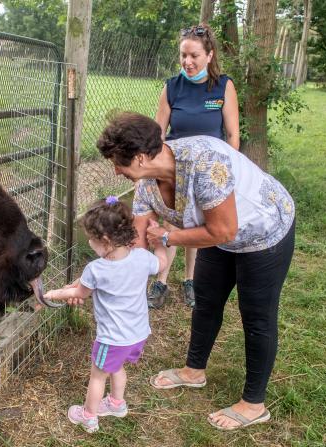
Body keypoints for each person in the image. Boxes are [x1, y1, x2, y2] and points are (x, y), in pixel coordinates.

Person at [97, 112, 295, 431]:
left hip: (264, 230)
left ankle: (254, 403)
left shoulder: (205, 161)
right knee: (205, 301)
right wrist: (101, 278)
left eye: (118, 162)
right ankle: (194, 371)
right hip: (215, 233)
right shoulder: (146, 182)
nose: (115, 170)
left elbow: (224, 230)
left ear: (141, 157)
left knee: (257, 316)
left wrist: (169, 236)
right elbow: (136, 242)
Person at [43, 197, 167, 433]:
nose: (89, 243)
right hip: (138, 334)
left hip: (111, 338)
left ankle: (88, 416)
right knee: (117, 367)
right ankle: (117, 404)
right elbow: (161, 264)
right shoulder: (141, 257)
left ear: (106, 241)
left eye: (91, 239)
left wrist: (51, 294)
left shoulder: (96, 269)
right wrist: (159, 242)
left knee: (98, 376)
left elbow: (80, 292)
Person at [150, 24, 240, 309]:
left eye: (194, 56)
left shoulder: (223, 86)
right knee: (171, 224)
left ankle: (190, 280)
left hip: (208, 174)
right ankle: (160, 281)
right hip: (174, 172)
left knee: (198, 226)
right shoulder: (171, 87)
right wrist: (156, 169)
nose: (187, 62)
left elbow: (233, 135)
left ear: (209, 55)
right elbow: (158, 134)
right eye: (183, 55)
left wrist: (223, 172)